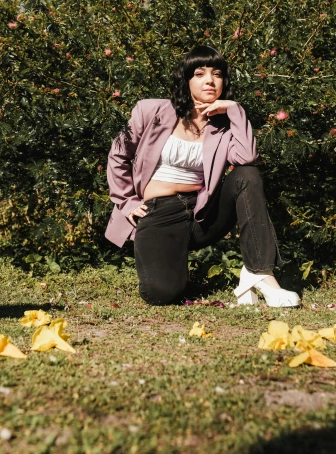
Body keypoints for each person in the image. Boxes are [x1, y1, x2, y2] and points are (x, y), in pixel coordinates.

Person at [105, 45, 300, 308]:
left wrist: (235, 110)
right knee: (160, 293)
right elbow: (118, 154)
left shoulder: (224, 125)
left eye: (216, 74)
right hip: (159, 212)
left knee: (247, 175)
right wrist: (126, 201)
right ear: (186, 80)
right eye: (199, 73)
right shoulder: (151, 111)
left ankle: (260, 273)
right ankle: (177, 274)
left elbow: (247, 159)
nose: (209, 80)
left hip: (201, 213)